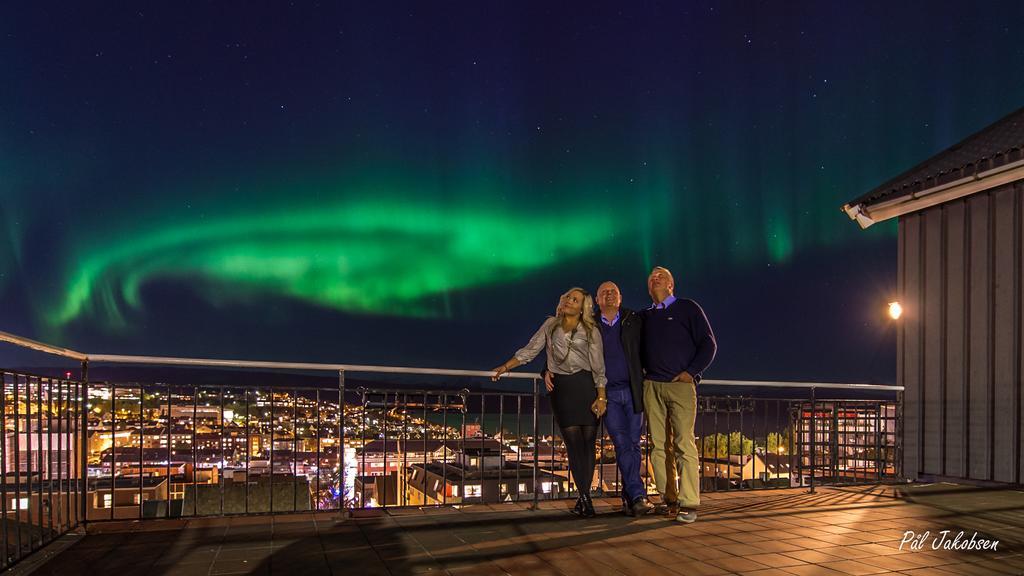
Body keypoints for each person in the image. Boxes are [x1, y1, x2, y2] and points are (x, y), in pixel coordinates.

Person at [493, 287, 607, 517]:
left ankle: (584, 499)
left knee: (588, 444)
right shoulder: (550, 325)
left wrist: (601, 396)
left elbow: (598, 365)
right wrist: (505, 367)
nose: (568, 301)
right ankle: (585, 498)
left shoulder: (591, 329)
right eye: (566, 297)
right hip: (562, 388)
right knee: (573, 445)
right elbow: (529, 351)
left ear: (582, 306)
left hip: (586, 387)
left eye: (574, 299)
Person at [548, 281, 653, 516]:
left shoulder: (634, 320)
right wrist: (545, 370)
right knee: (622, 443)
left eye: (613, 292)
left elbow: (649, 349)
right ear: (596, 300)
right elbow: (560, 349)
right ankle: (637, 496)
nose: (609, 295)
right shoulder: (588, 324)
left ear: (620, 297)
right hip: (608, 394)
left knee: (634, 444)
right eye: (604, 292)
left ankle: (631, 497)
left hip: (634, 390)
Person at [642, 266, 716, 524]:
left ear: (671, 284)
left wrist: (691, 373)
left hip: (681, 386)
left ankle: (689, 503)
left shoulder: (688, 308)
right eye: (651, 277)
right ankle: (668, 499)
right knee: (658, 447)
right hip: (652, 385)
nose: (655, 279)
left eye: (661, 276)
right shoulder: (645, 317)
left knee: (684, 444)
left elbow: (709, 344)